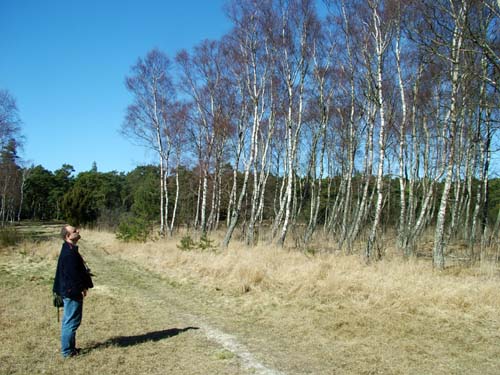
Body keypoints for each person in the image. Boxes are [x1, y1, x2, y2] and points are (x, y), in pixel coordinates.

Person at [52, 225, 93, 358]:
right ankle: (67, 352)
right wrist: (80, 289)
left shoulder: (69, 249)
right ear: (67, 236)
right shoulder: (69, 253)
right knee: (71, 322)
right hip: (71, 292)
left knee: (69, 321)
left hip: (69, 291)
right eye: (74, 231)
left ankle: (70, 349)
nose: (78, 232)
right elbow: (72, 276)